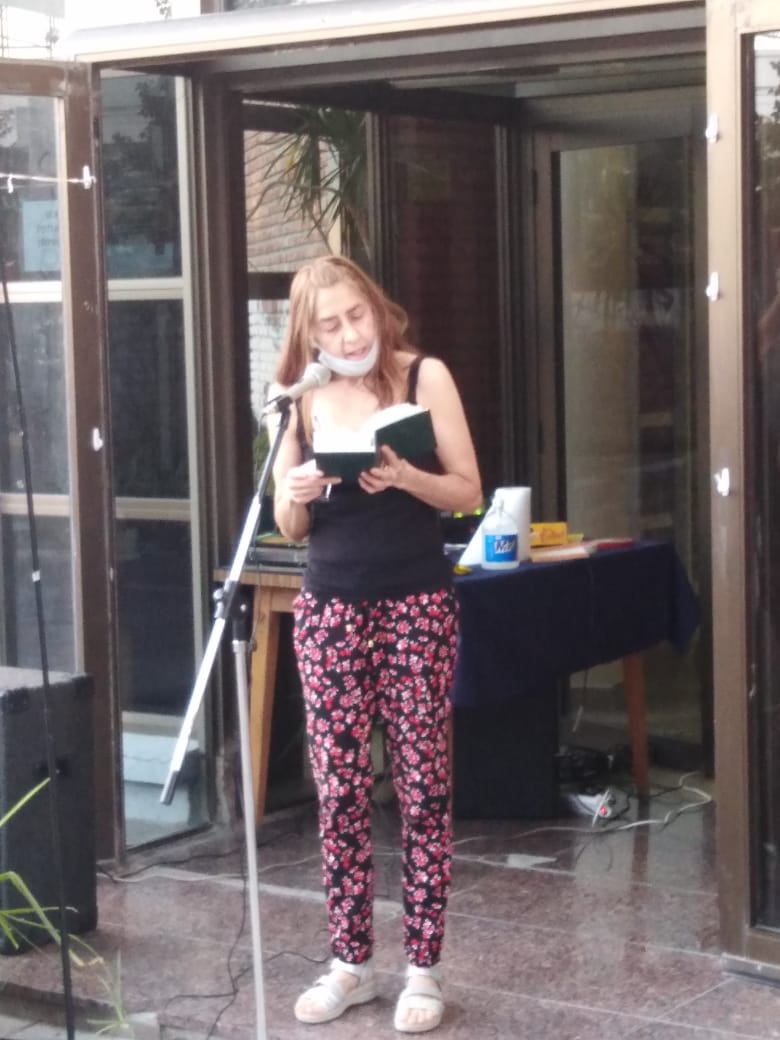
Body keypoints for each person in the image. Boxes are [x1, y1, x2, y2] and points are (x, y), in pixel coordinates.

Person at [269, 255, 482, 1033]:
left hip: (416, 602)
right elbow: (291, 527)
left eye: (357, 315)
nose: (350, 334)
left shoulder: (425, 375)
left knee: (422, 783)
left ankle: (423, 968)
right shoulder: (297, 398)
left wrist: (405, 477)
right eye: (330, 325)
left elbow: (468, 489)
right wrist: (296, 491)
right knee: (340, 789)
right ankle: (350, 964)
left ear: (377, 306)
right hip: (331, 605)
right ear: (309, 335)